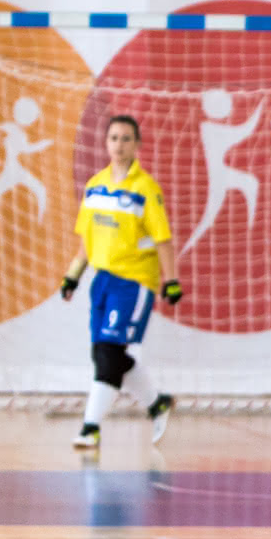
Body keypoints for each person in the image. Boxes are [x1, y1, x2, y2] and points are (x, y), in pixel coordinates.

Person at [60, 115, 183, 449]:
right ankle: (156, 402)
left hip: (134, 281)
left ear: (137, 144)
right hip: (103, 281)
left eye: (126, 139)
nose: (119, 145)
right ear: (105, 143)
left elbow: (163, 240)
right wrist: (73, 276)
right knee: (103, 354)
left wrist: (171, 281)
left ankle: (90, 428)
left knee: (110, 354)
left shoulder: (145, 189)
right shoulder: (95, 186)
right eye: (114, 138)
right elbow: (86, 242)